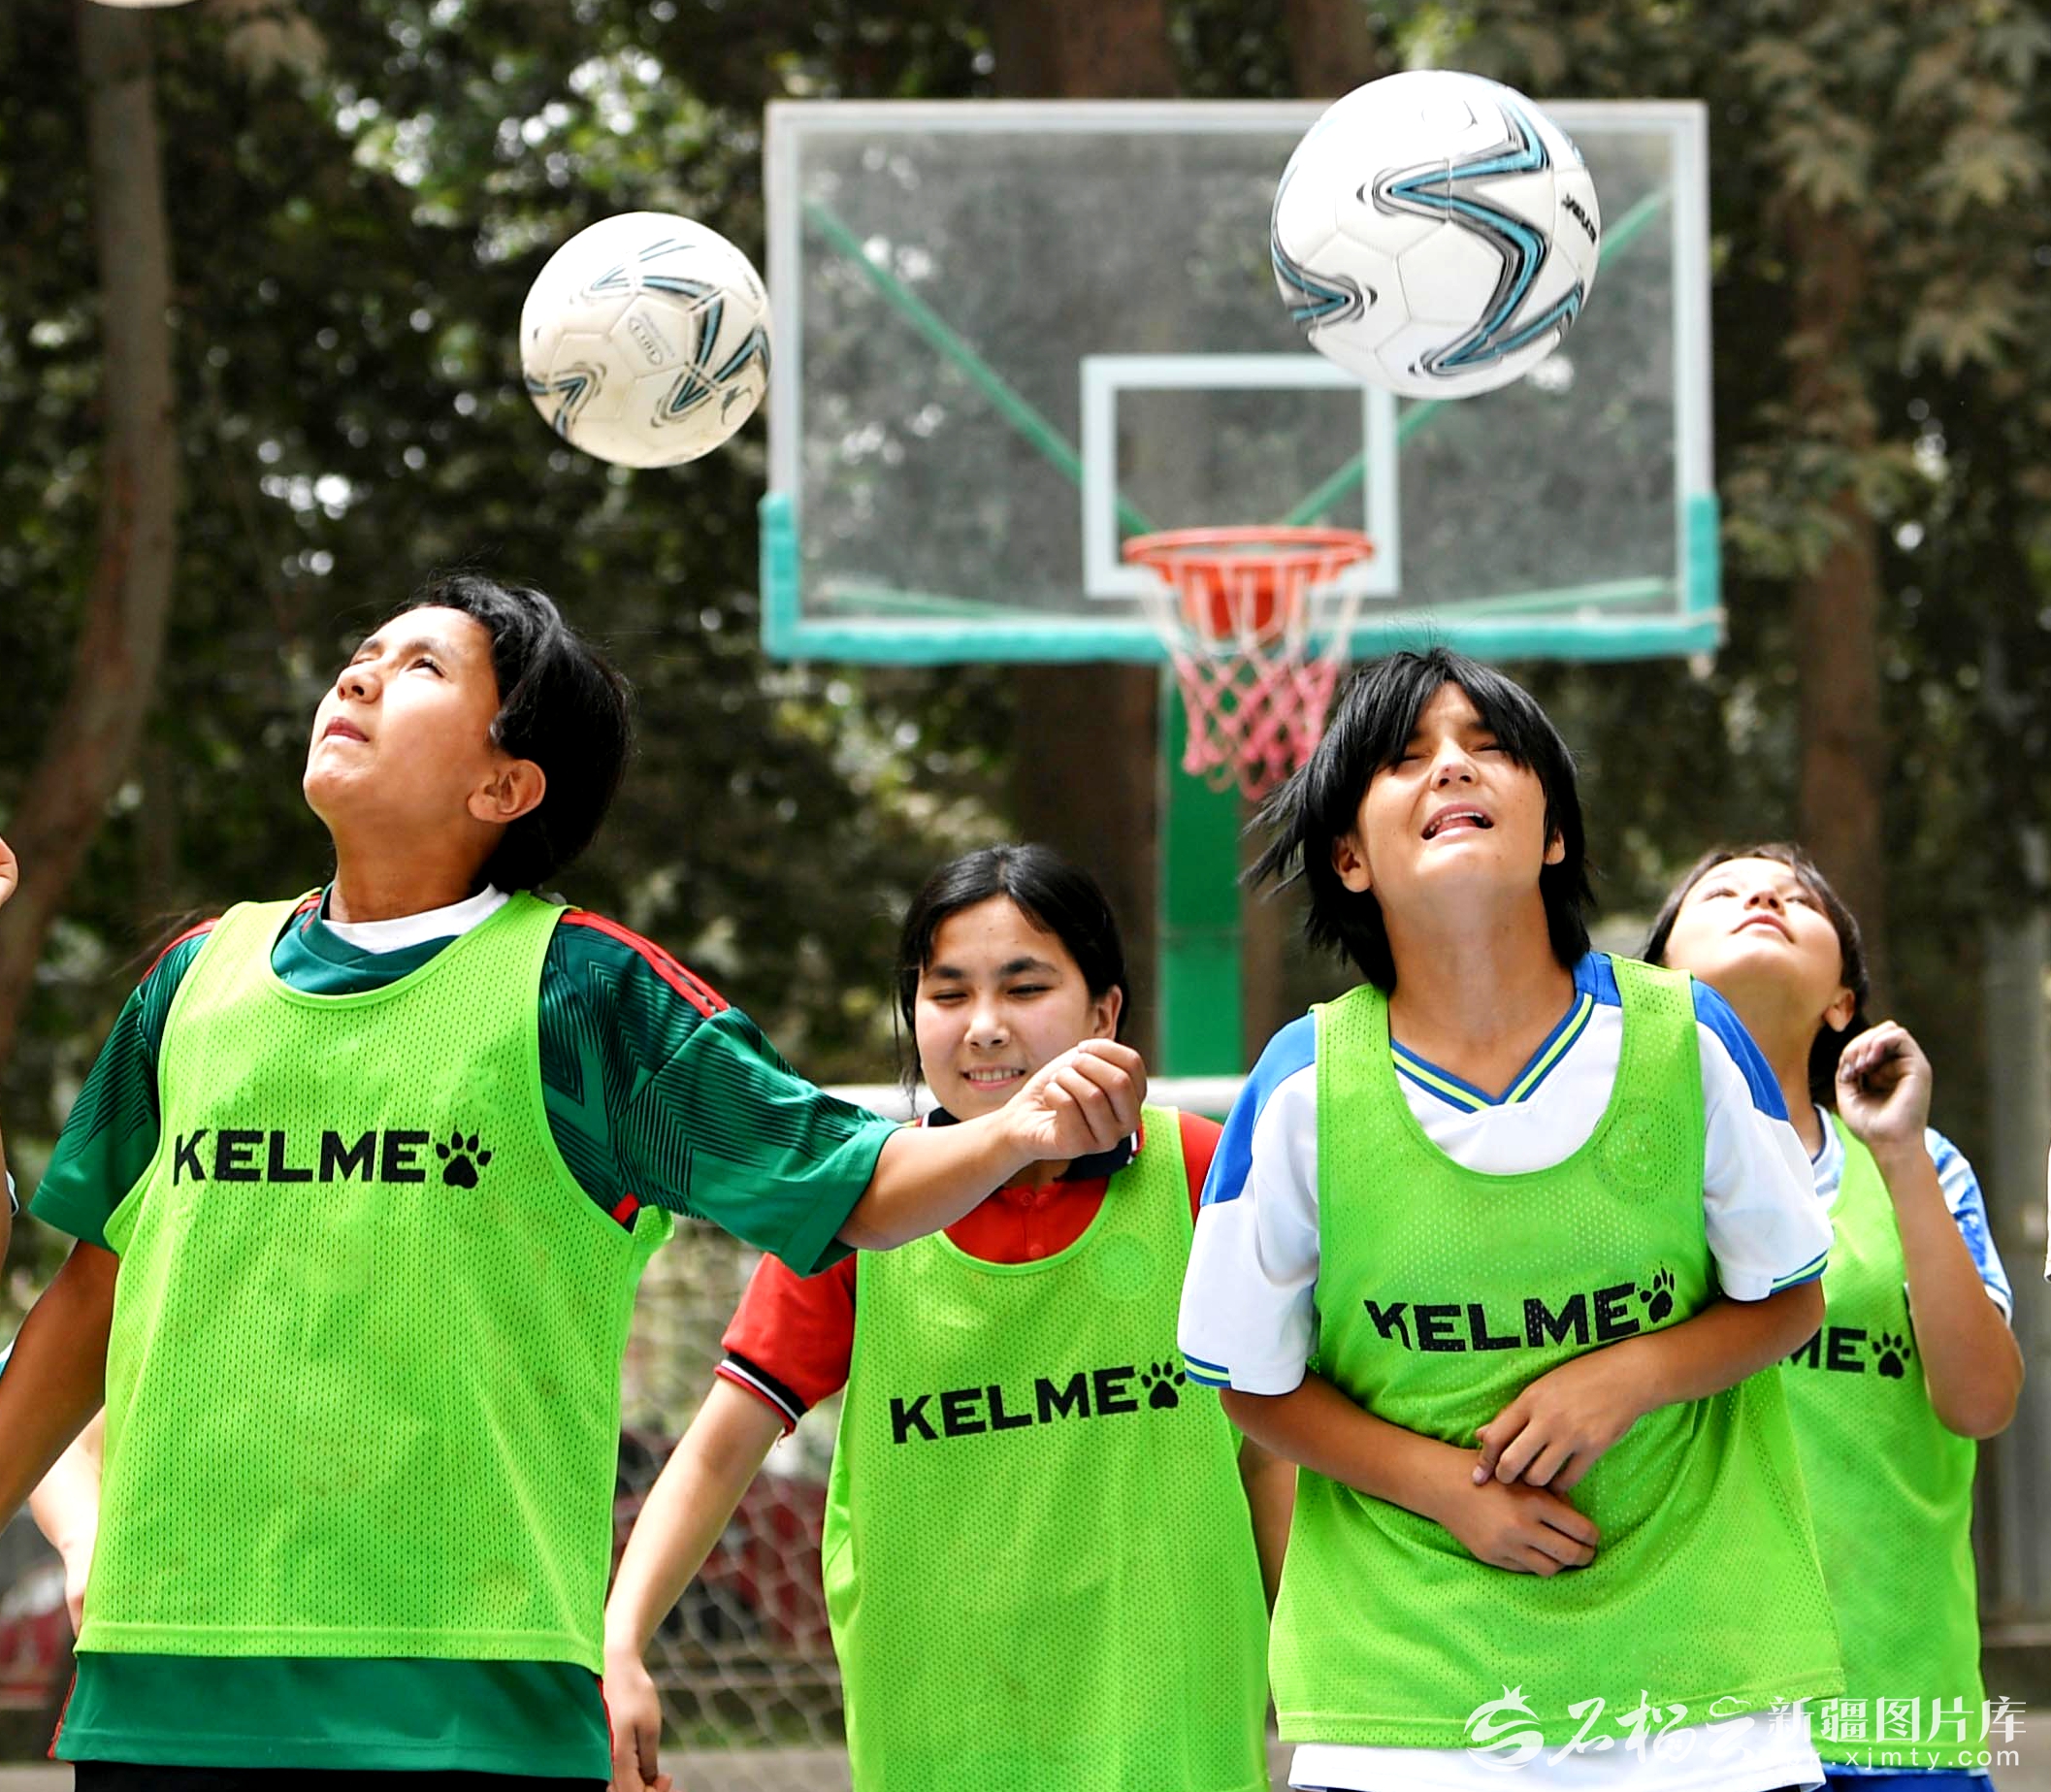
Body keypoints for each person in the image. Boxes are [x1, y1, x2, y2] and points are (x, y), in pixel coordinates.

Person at [0, 573, 1142, 1789]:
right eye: (364, 653)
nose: (360, 674)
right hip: (165, 1692)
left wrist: (1009, 1133)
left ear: (505, 785)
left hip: (469, 1706)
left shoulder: (589, 993)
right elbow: (89, 1300)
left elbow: (846, 1177)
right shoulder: (189, 982)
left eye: (422, 667)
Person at [1179, 647, 1844, 1792]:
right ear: (1346, 856)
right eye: (1404, 757)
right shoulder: (1300, 1085)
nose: (1451, 767)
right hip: (1406, 1709)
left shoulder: (1685, 1037)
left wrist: (1625, 1375)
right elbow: (1252, 1381)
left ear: (1553, 836)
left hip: (1699, 1700)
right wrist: (1445, 1486)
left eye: (1488, 747)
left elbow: (1787, 1298)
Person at [604, 844, 1286, 1792]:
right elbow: (720, 1449)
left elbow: (1275, 1451)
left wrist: (1315, 1673)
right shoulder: (859, 1210)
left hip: (1173, 1743)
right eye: (948, 992)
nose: (985, 1025)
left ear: (1104, 1012)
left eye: (1024, 987)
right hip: (939, 1740)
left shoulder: (1204, 1176)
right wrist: (620, 1640)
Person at [1647, 845, 2020, 1790]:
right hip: (1684, 1719)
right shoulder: (1616, 1174)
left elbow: (1981, 1402)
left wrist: (1899, 1156)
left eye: (1795, 898)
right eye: (1721, 892)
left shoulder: (1922, 1164)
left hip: (1896, 1712)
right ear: (1658, 984)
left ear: (1842, 1002)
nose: (1761, 896)